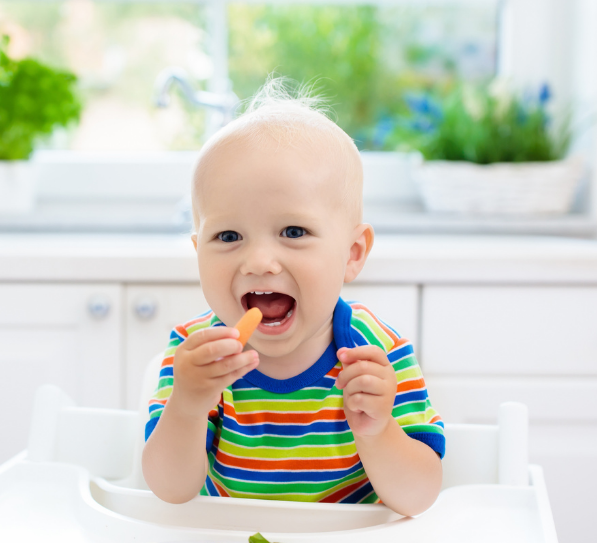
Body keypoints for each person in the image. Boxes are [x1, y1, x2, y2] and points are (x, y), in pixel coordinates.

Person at [141, 80, 444, 516]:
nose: (259, 262)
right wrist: (187, 406)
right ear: (197, 252)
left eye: (293, 232)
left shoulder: (376, 352)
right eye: (229, 236)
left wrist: (378, 431)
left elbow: (419, 497)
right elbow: (171, 491)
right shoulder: (196, 356)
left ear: (352, 255)